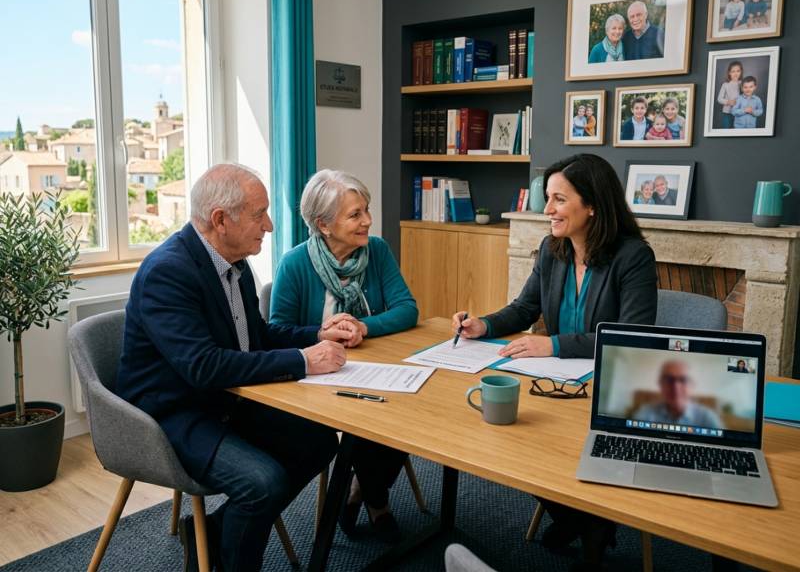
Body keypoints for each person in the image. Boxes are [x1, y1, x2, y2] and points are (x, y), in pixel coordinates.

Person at [116, 163, 358, 572]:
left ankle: (212, 532)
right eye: (259, 214)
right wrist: (303, 362)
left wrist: (316, 336)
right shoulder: (168, 272)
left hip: (225, 399)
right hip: (172, 412)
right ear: (220, 220)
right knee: (262, 483)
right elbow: (203, 367)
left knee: (320, 443)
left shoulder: (235, 261)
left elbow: (255, 337)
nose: (269, 225)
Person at [450, 154, 657, 568]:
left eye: (559, 200)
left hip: (611, 388)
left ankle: (587, 521)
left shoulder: (633, 257)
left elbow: (634, 339)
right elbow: (524, 308)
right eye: (548, 198)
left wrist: (555, 344)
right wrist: (482, 325)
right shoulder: (552, 249)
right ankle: (582, 519)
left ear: (592, 204)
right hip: (556, 384)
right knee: (517, 440)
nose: (547, 211)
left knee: (555, 445)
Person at [270, 169, 419, 543]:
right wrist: (321, 336)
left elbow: (407, 309)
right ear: (323, 224)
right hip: (315, 380)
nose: (368, 220)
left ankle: (361, 490)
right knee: (375, 416)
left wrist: (364, 327)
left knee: (407, 408)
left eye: (366, 210)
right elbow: (276, 332)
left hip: (372, 371)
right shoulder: (294, 264)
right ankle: (376, 500)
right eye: (355, 214)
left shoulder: (378, 251)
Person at [634, 361, 723, 428]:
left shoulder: (707, 417)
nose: (675, 387)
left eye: (683, 379)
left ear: (692, 385)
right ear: (660, 384)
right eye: (669, 379)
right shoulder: (646, 413)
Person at [717, 61, 743, 129]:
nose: (735, 73)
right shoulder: (725, 84)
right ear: (729, 73)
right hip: (727, 112)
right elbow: (719, 99)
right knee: (727, 129)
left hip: (739, 112)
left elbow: (746, 96)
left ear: (741, 72)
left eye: (738, 71)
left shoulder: (742, 83)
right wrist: (729, 102)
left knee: (738, 130)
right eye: (733, 71)